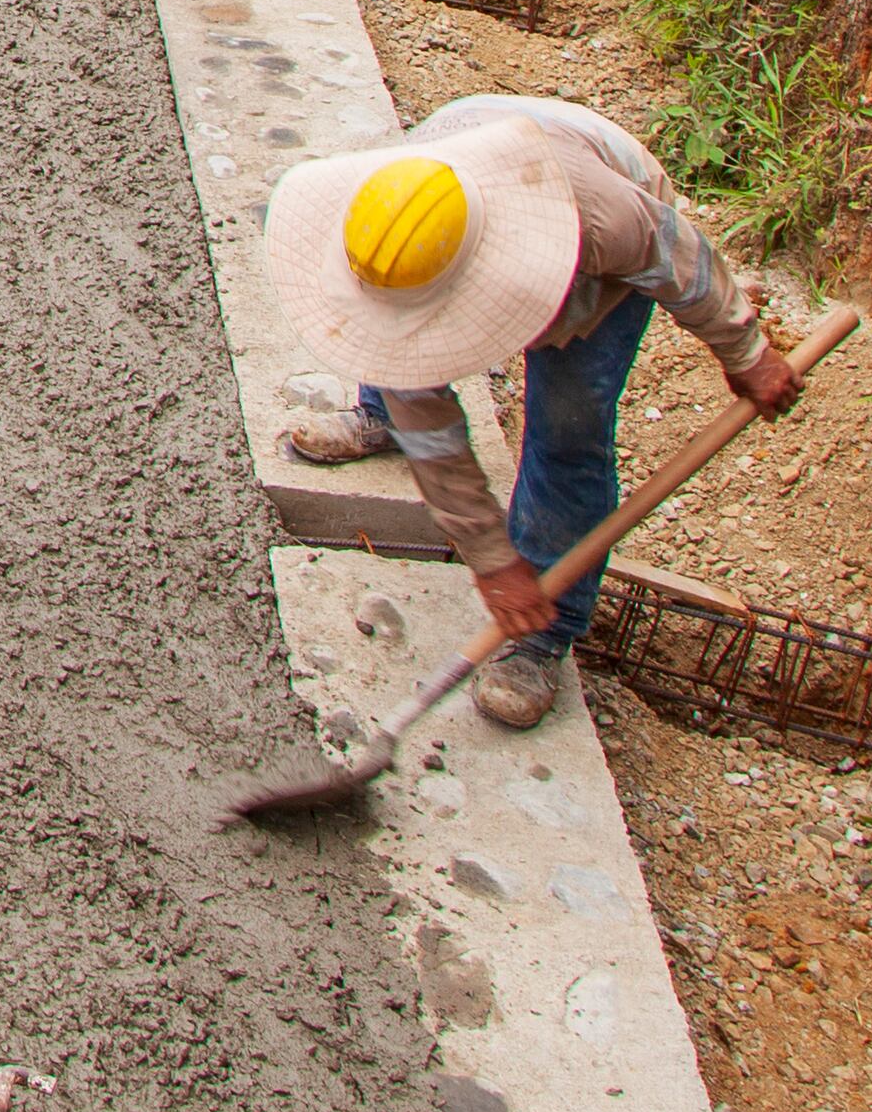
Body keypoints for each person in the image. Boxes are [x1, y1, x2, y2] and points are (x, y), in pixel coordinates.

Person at [263, 96, 807, 729]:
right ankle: (382, 412)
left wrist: (745, 350)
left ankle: (542, 635)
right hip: (470, 156)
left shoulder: (599, 221)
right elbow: (436, 440)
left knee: (568, 436)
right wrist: (491, 561)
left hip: (597, 229)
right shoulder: (396, 211)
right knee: (399, 347)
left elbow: (676, 256)